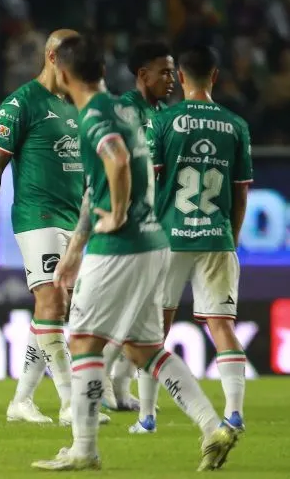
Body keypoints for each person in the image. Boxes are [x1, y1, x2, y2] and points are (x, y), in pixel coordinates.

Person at [32, 36, 239, 472]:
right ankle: (212, 426)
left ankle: (85, 449)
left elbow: (117, 160)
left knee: (84, 340)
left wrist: (116, 214)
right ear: (102, 72)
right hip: (153, 242)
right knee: (144, 348)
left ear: (65, 75)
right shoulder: (124, 110)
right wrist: (73, 251)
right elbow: (98, 185)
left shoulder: (93, 116)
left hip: (120, 247)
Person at [0, 29, 111, 427]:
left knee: (52, 309)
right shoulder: (20, 104)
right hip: (37, 216)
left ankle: (21, 400)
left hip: (74, 219)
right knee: (53, 302)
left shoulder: (76, 104)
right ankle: (71, 403)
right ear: (51, 57)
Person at [129, 45, 252, 435]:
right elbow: (241, 192)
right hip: (216, 237)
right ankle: (234, 413)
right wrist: (229, 238)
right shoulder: (236, 125)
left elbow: (148, 184)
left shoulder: (165, 121)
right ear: (215, 76)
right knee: (222, 327)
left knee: (154, 331)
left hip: (169, 238)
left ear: (180, 77)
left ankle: (147, 418)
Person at [102, 41, 176, 412]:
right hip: (126, 228)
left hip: (153, 227)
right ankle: (97, 384)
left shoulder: (163, 114)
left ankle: (117, 385)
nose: (172, 79)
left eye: (174, 71)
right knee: (122, 308)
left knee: (142, 309)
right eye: (164, 71)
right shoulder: (125, 110)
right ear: (142, 75)